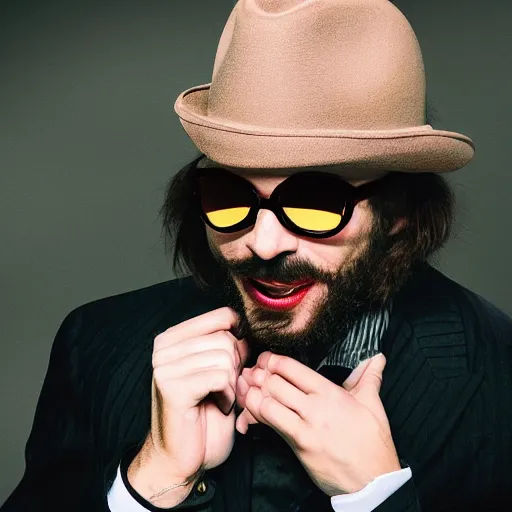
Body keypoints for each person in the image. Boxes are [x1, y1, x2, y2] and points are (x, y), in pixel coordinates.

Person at [3, 0, 512, 511]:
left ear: (399, 211)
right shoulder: (94, 344)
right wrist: (148, 484)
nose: (263, 244)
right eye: (230, 196)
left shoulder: (498, 373)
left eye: (315, 203)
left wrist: (376, 497)